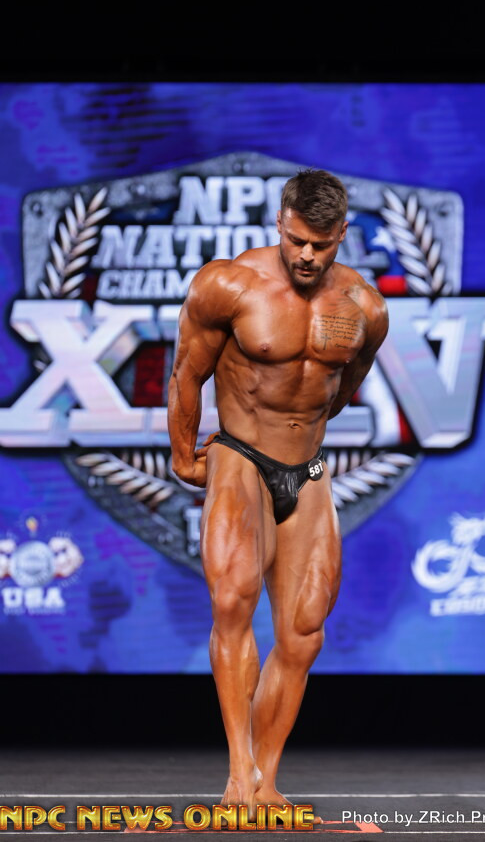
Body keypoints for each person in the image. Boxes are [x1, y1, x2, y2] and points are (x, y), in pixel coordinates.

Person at [168, 168, 389, 813]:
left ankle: (265, 781)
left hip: (308, 468)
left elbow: (344, 387)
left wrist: (301, 430)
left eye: (320, 244)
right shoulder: (229, 285)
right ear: (280, 224)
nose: (306, 255)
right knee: (233, 599)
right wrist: (184, 454)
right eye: (296, 241)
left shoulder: (366, 308)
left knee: (304, 631)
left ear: (341, 234)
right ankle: (239, 774)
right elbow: (187, 374)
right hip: (240, 455)